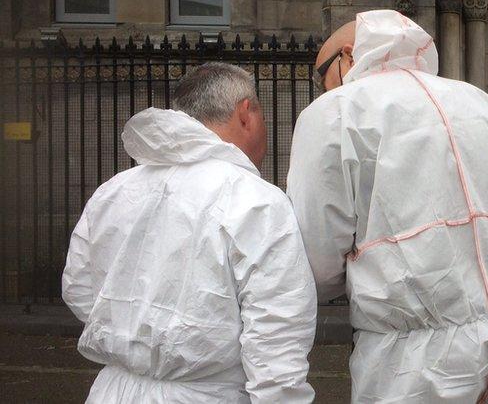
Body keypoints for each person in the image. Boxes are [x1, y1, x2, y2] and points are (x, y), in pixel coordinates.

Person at [287, 9, 488, 403]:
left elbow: (317, 255)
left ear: (348, 56)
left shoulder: (335, 112)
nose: (322, 86)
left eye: (320, 72)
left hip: (414, 357)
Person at [62, 62, 317, 403]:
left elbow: (79, 288)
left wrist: (136, 338)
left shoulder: (114, 191)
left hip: (115, 391)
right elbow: (278, 332)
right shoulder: (256, 201)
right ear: (246, 114)